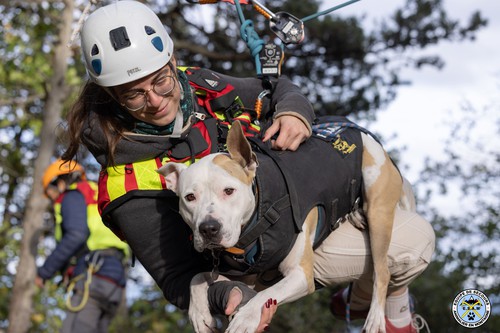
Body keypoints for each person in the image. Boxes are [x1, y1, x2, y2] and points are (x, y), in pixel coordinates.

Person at [62, 0, 313, 331]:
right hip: (234, 264)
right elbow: (176, 275)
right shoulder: (124, 180)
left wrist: (292, 111)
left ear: (172, 61)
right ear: (112, 96)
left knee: (401, 245)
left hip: (294, 217)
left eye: (161, 80)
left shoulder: (200, 86)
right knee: (401, 253)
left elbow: (272, 90)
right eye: (133, 95)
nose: (155, 100)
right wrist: (227, 295)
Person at [36, 159, 129, 333]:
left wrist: (44, 272)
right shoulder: (98, 194)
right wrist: (70, 268)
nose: (53, 199)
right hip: (115, 280)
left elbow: (76, 235)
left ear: (61, 183)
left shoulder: (73, 196)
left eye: (51, 193)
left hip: (94, 276)